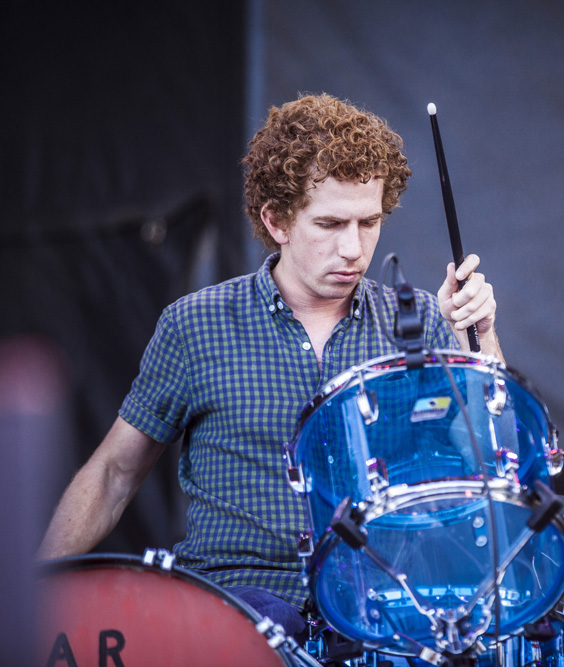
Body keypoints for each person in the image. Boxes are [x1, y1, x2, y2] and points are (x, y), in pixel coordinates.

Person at [37, 94, 503, 642]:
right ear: (276, 220)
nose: (353, 248)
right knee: (262, 620)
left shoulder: (420, 321)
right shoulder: (196, 325)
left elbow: (493, 459)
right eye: (330, 223)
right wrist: (26, 593)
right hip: (235, 610)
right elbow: (114, 474)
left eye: (369, 222)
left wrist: (479, 339)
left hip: (381, 612)